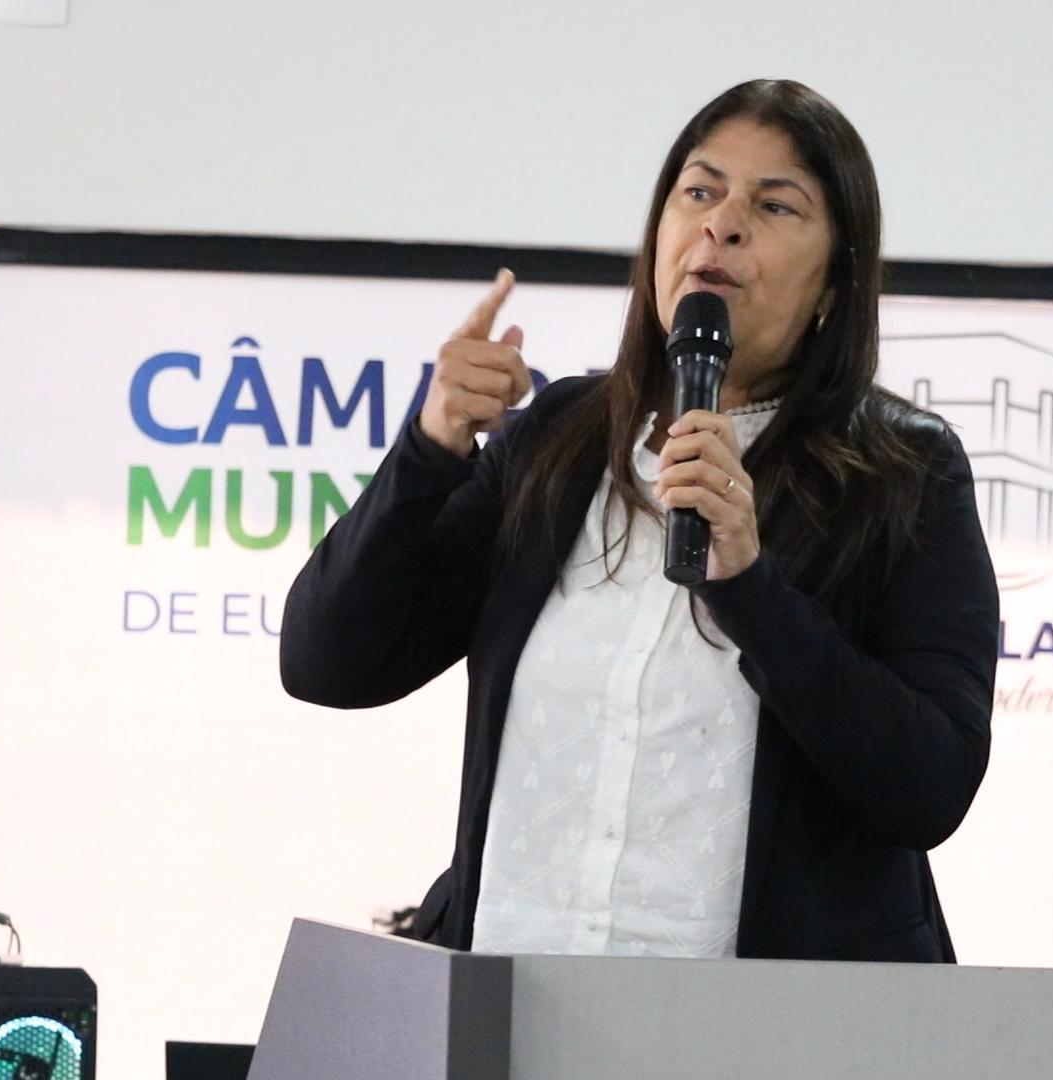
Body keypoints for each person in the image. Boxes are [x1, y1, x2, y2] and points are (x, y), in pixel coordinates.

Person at [280, 79, 1000, 963]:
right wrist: (431, 450)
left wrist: (750, 586)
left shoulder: (904, 472)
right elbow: (327, 663)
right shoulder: (558, 440)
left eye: (774, 206)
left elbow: (929, 787)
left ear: (834, 285)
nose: (722, 224)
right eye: (700, 191)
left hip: (767, 1021)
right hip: (514, 999)